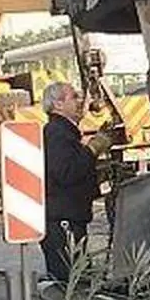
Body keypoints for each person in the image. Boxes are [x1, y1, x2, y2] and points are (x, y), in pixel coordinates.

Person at [40, 82, 113, 282]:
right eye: (74, 97)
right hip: (63, 220)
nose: (80, 101)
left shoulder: (64, 131)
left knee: (77, 276)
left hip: (69, 217)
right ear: (58, 104)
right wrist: (92, 150)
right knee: (71, 280)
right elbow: (67, 172)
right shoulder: (56, 133)